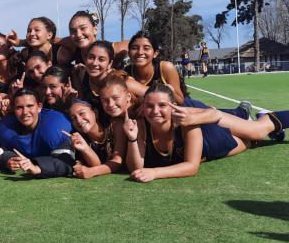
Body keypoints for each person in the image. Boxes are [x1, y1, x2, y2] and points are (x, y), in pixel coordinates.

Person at [123, 84, 289, 183]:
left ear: (173, 105)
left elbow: (191, 167)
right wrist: (132, 139)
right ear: (143, 107)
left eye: (162, 105)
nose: (155, 111)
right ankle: (247, 114)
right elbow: (136, 168)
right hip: (204, 142)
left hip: (210, 135)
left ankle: (247, 113)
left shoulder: (186, 119)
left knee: (255, 135)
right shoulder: (141, 125)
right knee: (251, 140)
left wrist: (155, 172)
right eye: (150, 106)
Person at [0, 88, 74, 178]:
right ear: (13, 109)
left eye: (30, 106)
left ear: (39, 107)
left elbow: (66, 161)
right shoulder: (6, 127)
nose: (25, 112)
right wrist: (8, 159)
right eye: (19, 108)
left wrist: (38, 168)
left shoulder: (56, 125)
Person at [57, 10, 129, 68]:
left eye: (83, 28)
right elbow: (54, 39)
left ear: (95, 30)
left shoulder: (108, 48)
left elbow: (131, 44)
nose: (78, 35)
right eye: (73, 31)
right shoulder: (72, 44)